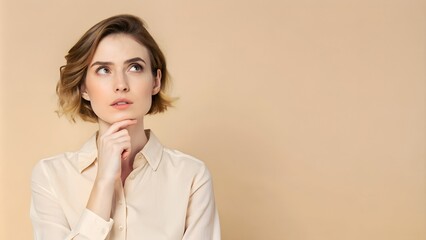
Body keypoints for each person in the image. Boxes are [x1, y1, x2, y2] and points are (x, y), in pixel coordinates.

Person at [30, 14, 220, 240]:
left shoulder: (192, 176)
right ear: (83, 87)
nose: (121, 85)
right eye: (103, 70)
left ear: (156, 81)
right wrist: (103, 182)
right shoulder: (51, 176)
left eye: (135, 67)